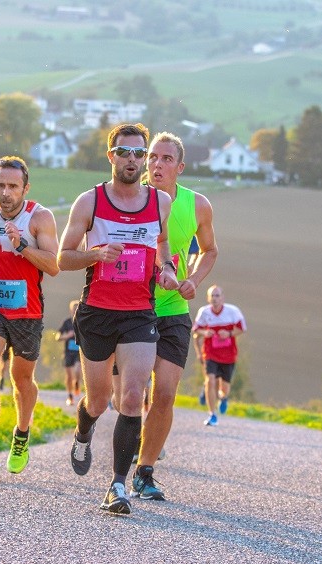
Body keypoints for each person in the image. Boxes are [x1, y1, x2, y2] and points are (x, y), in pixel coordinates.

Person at [57, 122, 178, 515]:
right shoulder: (89, 202)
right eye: (124, 153)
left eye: (139, 154)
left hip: (139, 314)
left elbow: (161, 245)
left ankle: (117, 486)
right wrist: (95, 255)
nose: (133, 160)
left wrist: (166, 271)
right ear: (111, 156)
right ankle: (84, 429)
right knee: (98, 399)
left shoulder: (159, 202)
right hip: (97, 313)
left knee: (131, 396)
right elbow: (62, 258)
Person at [131, 131, 218, 500]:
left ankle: (144, 471)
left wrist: (193, 280)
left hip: (173, 310)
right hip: (131, 307)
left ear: (180, 167)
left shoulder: (198, 205)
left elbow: (210, 250)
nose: (157, 164)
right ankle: (123, 439)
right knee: (129, 395)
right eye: (153, 157)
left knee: (164, 393)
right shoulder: (127, 198)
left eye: (166, 159)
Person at [0, 155, 60, 474]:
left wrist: (22, 247)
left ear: (25, 188)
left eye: (12, 186)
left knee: (22, 379)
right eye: (0, 185)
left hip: (28, 311)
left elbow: (53, 265)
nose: (5, 193)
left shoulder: (40, 218)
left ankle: (21, 434)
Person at [193, 285, 246, 426]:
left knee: (224, 389)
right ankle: (212, 414)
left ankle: (224, 398)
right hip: (210, 352)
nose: (215, 299)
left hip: (228, 355)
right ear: (208, 298)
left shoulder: (232, 311)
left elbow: (242, 328)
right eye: (212, 296)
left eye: (217, 295)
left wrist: (228, 333)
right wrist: (205, 333)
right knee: (210, 380)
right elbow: (195, 331)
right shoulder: (204, 312)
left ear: (223, 297)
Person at [56, 299, 81, 406]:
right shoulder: (66, 322)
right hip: (68, 352)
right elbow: (57, 337)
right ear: (71, 310)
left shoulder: (82, 321)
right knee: (69, 376)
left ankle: (77, 384)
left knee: (77, 370)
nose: (76, 310)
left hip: (79, 352)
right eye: (74, 309)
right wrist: (67, 336)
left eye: (77, 309)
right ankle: (70, 396)